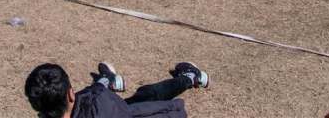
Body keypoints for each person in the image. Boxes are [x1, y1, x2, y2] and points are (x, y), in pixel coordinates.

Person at [24, 61, 208, 118]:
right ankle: (191, 77)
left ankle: (108, 80)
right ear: (71, 94)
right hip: (122, 111)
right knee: (148, 95)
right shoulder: (100, 105)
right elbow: (95, 95)